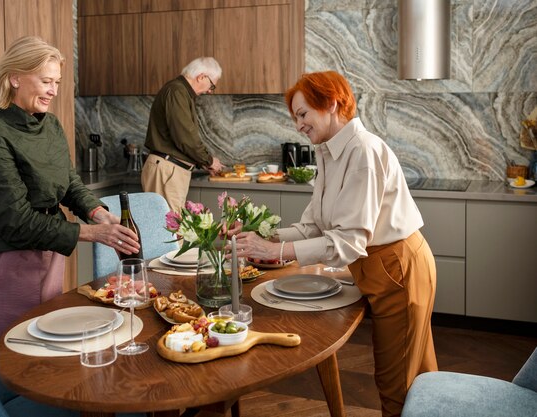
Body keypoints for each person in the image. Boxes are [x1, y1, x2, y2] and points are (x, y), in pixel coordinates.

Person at [231, 71, 438, 417]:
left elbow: (349, 241)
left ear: (330, 103)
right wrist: (260, 239)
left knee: (398, 385)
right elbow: (312, 226)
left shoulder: (363, 151)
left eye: (302, 114)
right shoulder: (328, 153)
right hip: (380, 266)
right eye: (295, 117)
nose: (298, 126)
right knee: (416, 375)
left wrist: (275, 252)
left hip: (397, 266)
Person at [0, 36, 141, 342]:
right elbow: (16, 222)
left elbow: (68, 180)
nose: (53, 91)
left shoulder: (51, 124)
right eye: (46, 81)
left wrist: (96, 213)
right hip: (7, 260)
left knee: (44, 345)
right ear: (15, 77)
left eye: (56, 82)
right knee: (9, 352)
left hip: (49, 251)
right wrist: (90, 234)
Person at [141, 57, 225, 214]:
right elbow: (185, 137)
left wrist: (203, 162)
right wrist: (209, 160)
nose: (209, 91)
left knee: (170, 230)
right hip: (167, 170)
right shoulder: (177, 91)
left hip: (168, 169)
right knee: (168, 232)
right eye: (212, 86)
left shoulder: (180, 91)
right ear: (201, 76)